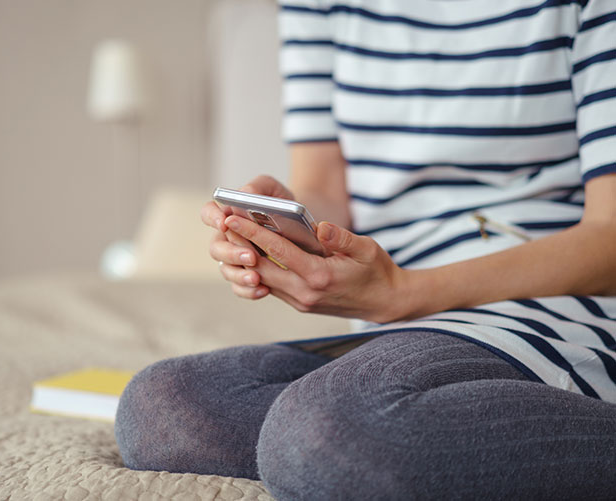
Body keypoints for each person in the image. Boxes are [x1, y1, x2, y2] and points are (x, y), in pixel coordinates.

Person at [116, 1, 616, 499]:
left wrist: (406, 291)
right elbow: (326, 189)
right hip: (400, 325)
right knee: (164, 407)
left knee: (327, 435)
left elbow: (609, 238)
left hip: (550, 306)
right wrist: (285, 225)